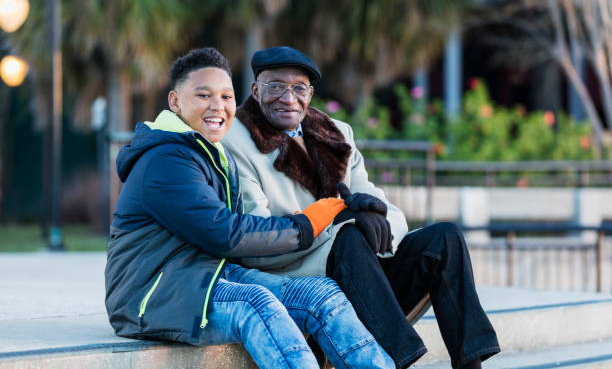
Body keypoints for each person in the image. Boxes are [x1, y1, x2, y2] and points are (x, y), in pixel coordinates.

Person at [104, 47, 395, 369]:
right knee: (256, 303)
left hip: (208, 275)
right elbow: (225, 233)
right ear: (175, 102)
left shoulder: (209, 151)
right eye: (203, 95)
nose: (218, 106)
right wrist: (304, 225)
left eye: (227, 97)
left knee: (321, 293)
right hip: (153, 292)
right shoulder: (166, 159)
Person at [223, 46, 500, 369]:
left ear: (310, 94)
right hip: (298, 275)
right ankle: (395, 361)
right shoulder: (235, 140)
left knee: (445, 239)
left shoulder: (337, 133)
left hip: (361, 271)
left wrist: (374, 221)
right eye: (275, 86)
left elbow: (387, 211)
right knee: (347, 237)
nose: (288, 97)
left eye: (299, 87)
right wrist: (341, 221)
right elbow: (256, 240)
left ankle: (471, 364)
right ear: (255, 90)